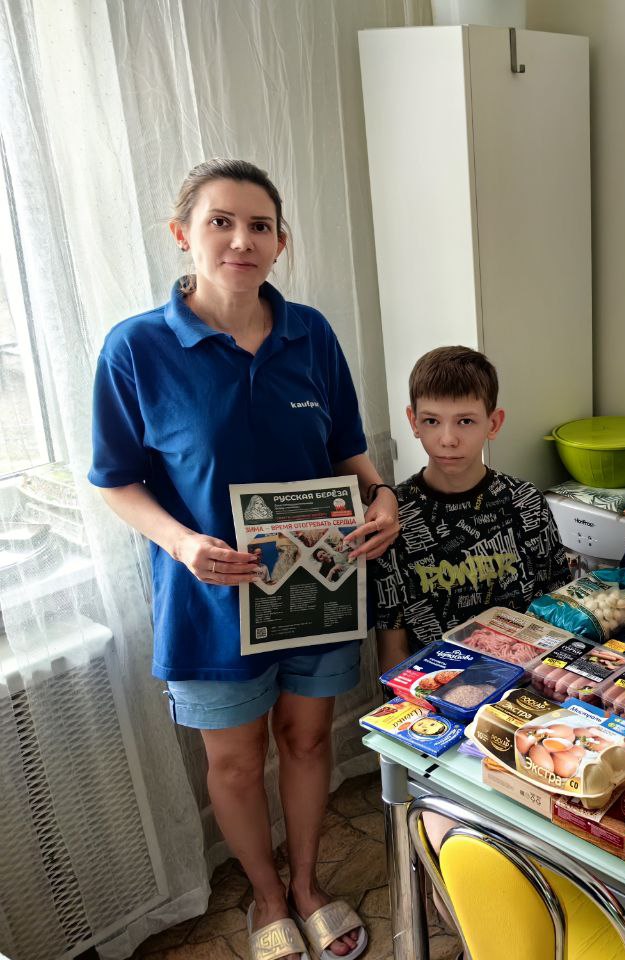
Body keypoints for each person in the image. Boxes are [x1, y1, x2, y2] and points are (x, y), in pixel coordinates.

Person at [90, 159, 397, 960]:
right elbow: (115, 481)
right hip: (208, 599)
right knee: (233, 763)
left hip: (316, 585)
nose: (241, 240)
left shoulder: (311, 334)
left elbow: (347, 449)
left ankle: (308, 884)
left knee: (308, 740)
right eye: (220, 222)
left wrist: (381, 496)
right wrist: (183, 542)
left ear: (280, 242)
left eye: (259, 225)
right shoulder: (136, 349)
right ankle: (265, 896)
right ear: (181, 234)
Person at [372, 345, 570, 672]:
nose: (448, 439)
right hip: (432, 687)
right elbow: (392, 647)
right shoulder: (394, 517)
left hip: (525, 682)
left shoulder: (526, 501)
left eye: (465, 421)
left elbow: (558, 615)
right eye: (432, 420)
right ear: (413, 421)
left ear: (493, 423)